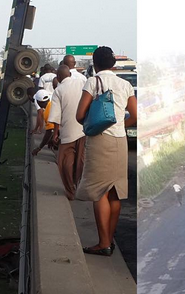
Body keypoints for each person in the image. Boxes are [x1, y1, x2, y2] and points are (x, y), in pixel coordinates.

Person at [75, 46, 137, 257]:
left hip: (100, 141)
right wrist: (119, 124)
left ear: (95, 63)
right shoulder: (126, 84)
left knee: (99, 191)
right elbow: (135, 116)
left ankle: (103, 244)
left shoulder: (93, 82)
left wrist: (96, 123)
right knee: (114, 192)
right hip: (121, 141)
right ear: (113, 64)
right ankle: (109, 240)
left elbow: (79, 114)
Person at [47, 65, 86, 200]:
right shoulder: (82, 82)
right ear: (70, 73)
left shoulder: (59, 90)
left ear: (58, 78)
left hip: (68, 131)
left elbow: (56, 117)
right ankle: (79, 185)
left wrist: (55, 134)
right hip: (84, 129)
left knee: (65, 161)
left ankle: (70, 190)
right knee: (80, 159)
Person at [31, 90, 55, 156]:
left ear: (39, 102)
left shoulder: (48, 111)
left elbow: (50, 131)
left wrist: (39, 148)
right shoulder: (51, 104)